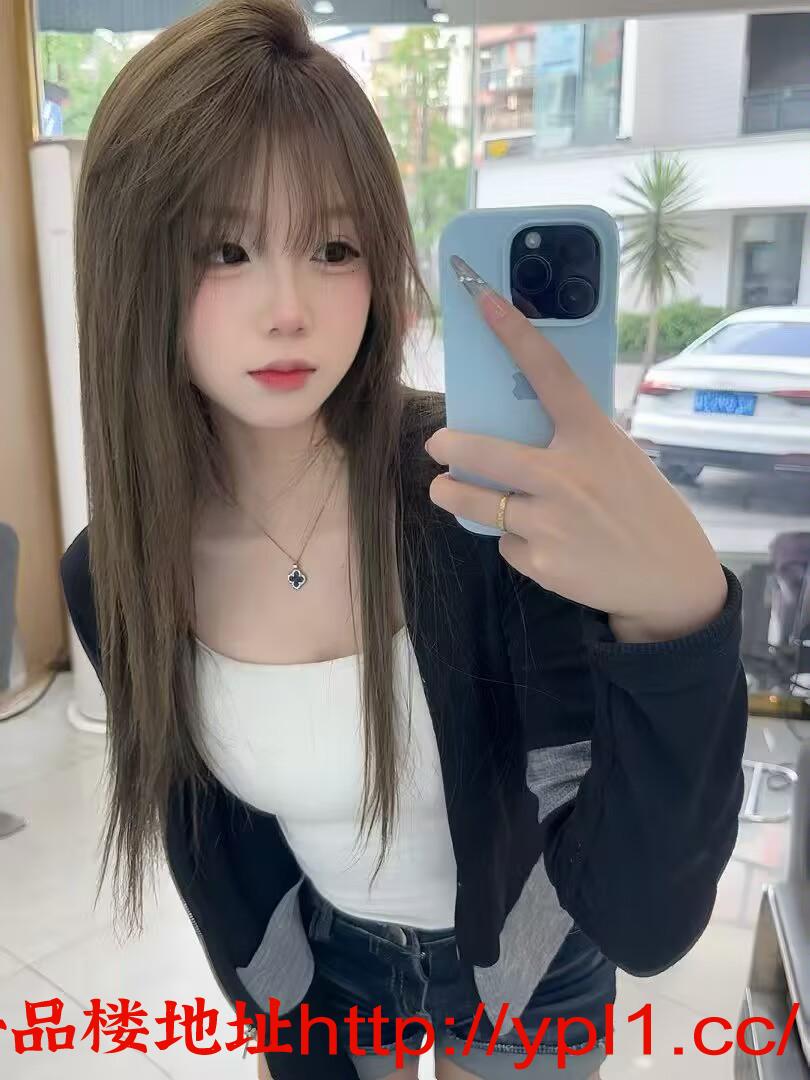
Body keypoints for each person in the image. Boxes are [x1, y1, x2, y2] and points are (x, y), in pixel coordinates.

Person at [58, 1, 749, 1077]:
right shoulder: (114, 575)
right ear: (128, 265)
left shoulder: (485, 496)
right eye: (225, 249)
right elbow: (216, 848)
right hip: (327, 974)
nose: (289, 308)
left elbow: (647, 916)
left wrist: (679, 623)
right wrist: (280, 1012)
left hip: (529, 967)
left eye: (333, 247)